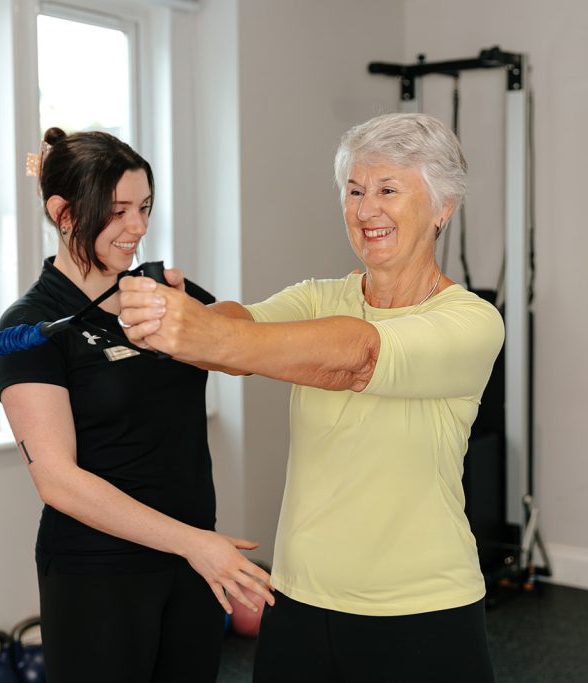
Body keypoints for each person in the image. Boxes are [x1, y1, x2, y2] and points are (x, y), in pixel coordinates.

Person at [118, 112, 504, 682]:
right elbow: (240, 331)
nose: (365, 208)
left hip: (421, 609)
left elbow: (356, 357)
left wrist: (204, 332)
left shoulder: (471, 321)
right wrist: (183, 321)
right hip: (299, 601)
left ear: (443, 206)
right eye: (354, 190)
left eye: (388, 189)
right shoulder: (319, 297)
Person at [0, 127, 273, 683]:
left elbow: (243, 354)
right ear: (64, 212)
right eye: (118, 211)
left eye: (143, 207)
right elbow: (58, 482)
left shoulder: (160, 296)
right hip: (100, 572)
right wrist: (197, 545)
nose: (139, 227)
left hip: (193, 562)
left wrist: (202, 318)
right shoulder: (29, 325)